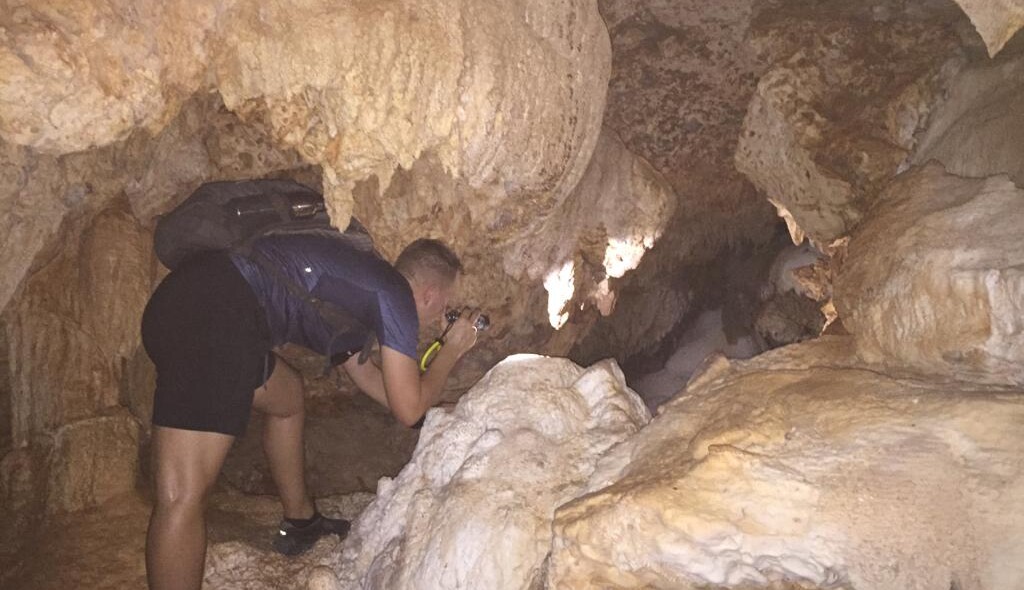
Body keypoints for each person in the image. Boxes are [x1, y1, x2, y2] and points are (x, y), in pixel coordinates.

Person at [140, 232, 479, 590]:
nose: (442, 317)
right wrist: (452, 350)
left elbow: (373, 381)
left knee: (287, 397)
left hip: (208, 305)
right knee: (182, 495)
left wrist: (438, 415)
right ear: (430, 294)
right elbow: (409, 408)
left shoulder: (358, 291)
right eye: (445, 307)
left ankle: (301, 519)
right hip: (212, 315)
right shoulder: (392, 292)